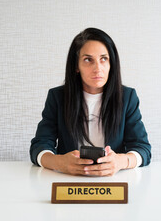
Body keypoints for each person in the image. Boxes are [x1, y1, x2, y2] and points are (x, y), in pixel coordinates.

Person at [30, 28, 151, 176]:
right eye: (88, 60)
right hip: (69, 181)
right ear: (76, 66)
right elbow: (39, 146)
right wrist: (60, 163)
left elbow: (143, 149)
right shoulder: (58, 97)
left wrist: (121, 161)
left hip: (113, 183)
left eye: (104, 59)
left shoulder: (127, 97)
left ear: (111, 63)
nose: (97, 68)